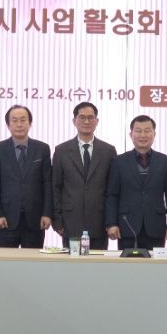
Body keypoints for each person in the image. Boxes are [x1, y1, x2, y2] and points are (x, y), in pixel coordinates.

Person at [105, 115, 167, 251]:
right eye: (138, 131)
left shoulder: (165, 161)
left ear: (154, 134)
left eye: (147, 130)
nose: (143, 135)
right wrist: (111, 224)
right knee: (127, 264)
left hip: (156, 227)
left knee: (155, 264)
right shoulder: (119, 161)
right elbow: (112, 195)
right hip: (127, 226)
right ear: (131, 134)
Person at [52, 102, 117, 250]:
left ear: (97, 121)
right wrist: (58, 220)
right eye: (82, 117)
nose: (86, 121)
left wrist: (111, 221)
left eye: (90, 117)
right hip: (70, 222)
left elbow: (112, 190)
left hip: (99, 222)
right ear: (74, 121)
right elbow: (56, 187)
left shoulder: (108, 151)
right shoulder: (61, 151)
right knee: (72, 263)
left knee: (98, 262)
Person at [0, 105, 52, 248]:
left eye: (23, 120)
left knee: (33, 260)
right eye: (14, 120)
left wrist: (47, 214)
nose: (19, 124)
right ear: (8, 124)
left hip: (35, 219)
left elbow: (47, 183)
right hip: (5, 219)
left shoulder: (42, 149)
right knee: (5, 261)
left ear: (30, 123)